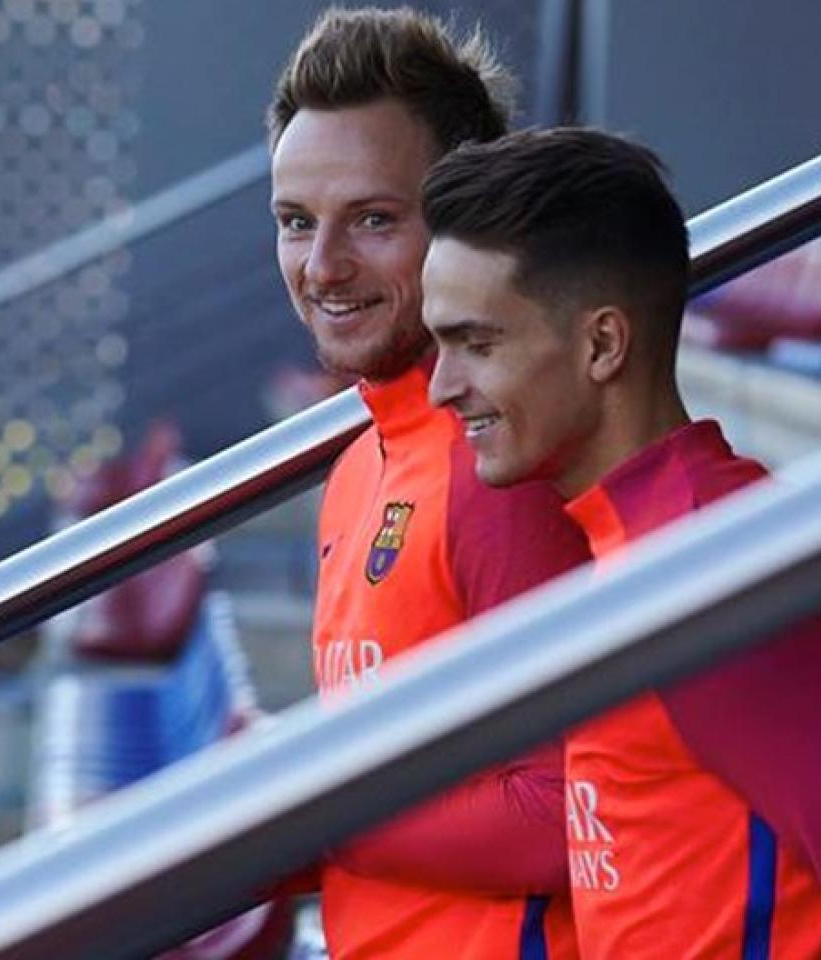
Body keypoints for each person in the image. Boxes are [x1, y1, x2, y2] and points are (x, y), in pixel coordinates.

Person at [421, 127, 821, 958]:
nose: (442, 387)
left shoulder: (710, 575)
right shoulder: (642, 535)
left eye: (477, 344)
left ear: (602, 345)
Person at [267, 9, 590, 957]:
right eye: (296, 222)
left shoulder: (501, 468)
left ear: (464, 223)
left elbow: (569, 812)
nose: (323, 267)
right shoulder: (360, 464)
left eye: (374, 220)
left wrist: (310, 814)